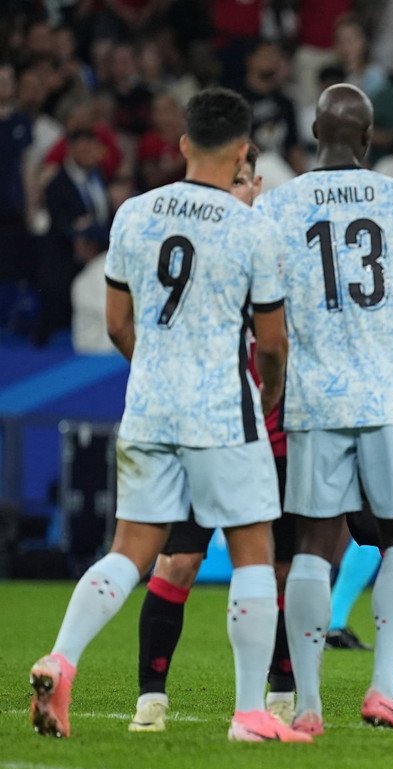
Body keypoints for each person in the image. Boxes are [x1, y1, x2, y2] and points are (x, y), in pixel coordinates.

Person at [28, 88, 303, 743]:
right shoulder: (251, 226)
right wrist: (267, 392)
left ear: (182, 144)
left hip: (149, 402)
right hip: (220, 406)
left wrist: (153, 369)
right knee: (255, 553)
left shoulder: (132, 213)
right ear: (242, 151)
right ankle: (248, 713)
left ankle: (62, 657)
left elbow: (118, 323)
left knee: (130, 550)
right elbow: (271, 343)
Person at [255, 83, 393, 738]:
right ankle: (384, 688)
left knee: (314, 541)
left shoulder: (278, 204)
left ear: (313, 131)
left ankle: (305, 705)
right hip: (388, 389)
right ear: (366, 139)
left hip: (314, 394)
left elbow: (266, 301)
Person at [127, 145, 302, 734]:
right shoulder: (215, 252)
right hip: (212, 430)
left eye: (253, 182)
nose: (247, 189)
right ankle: (151, 696)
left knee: (275, 571)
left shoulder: (275, 253)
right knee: (178, 561)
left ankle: (280, 690)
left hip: (275, 441)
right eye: (241, 179)